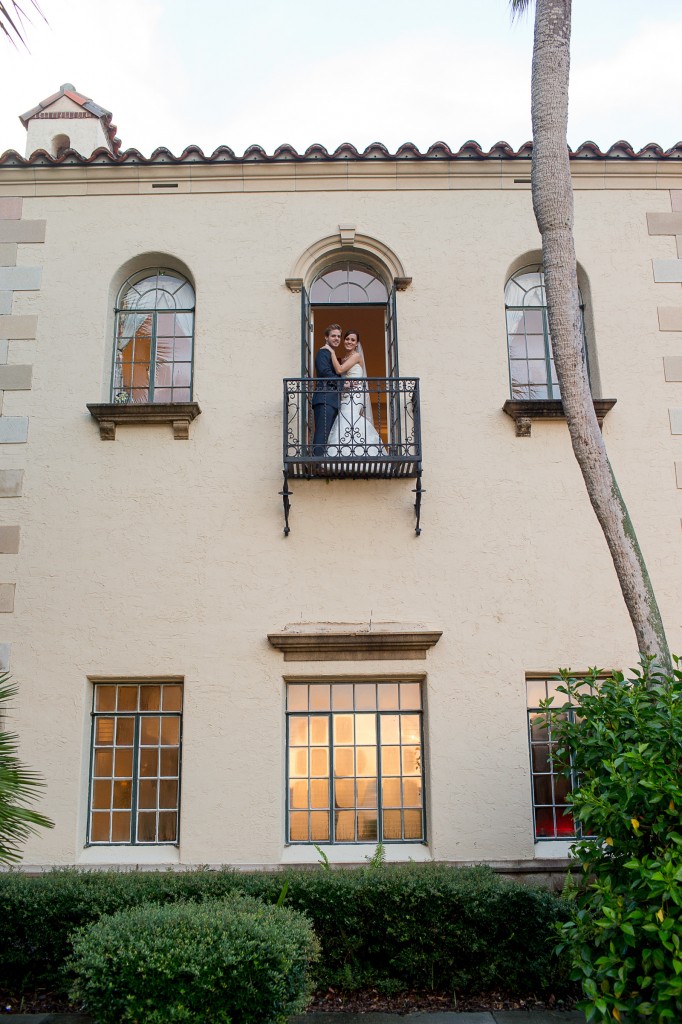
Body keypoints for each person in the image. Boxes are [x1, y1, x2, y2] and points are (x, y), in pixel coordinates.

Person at [326, 330, 385, 456]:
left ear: (357, 343)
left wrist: (331, 352)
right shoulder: (344, 358)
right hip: (345, 394)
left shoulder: (356, 356)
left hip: (356, 394)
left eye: (353, 340)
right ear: (344, 341)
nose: (349, 342)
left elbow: (340, 369)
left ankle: (360, 452)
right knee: (344, 419)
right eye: (347, 339)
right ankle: (345, 453)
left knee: (349, 416)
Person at [311, 324, 342, 456]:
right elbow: (324, 372)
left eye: (339, 336)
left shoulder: (331, 354)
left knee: (328, 434)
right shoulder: (323, 352)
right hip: (324, 398)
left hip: (331, 400)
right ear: (326, 337)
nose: (337, 338)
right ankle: (317, 463)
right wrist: (343, 383)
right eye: (333, 336)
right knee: (322, 434)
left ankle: (323, 461)